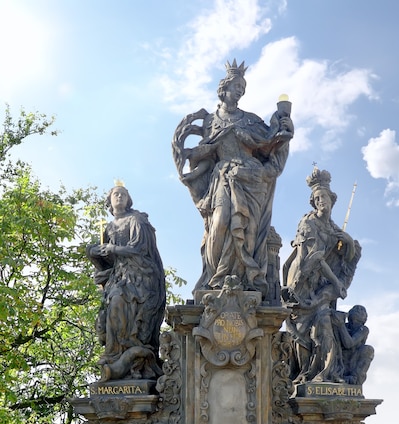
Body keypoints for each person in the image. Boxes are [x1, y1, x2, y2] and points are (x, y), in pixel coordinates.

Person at [172, 59, 293, 300]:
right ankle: (214, 279)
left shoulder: (250, 119)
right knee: (220, 222)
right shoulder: (211, 121)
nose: (240, 90)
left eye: (243, 87)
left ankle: (245, 280)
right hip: (223, 178)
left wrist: (284, 126)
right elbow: (204, 154)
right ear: (223, 89)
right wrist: (191, 163)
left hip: (250, 179)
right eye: (237, 85)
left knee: (248, 230)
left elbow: (271, 143)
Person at [281, 167, 361, 384]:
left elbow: (347, 256)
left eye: (323, 197)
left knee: (323, 323)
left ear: (332, 200)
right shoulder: (308, 223)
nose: (320, 202)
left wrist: (349, 242)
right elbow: (315, 257)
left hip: (320, 285)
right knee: (301, 329)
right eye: (316, 199)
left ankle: (324, 374)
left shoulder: (333, 227)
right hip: (303, 282)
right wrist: (337, 284)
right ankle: (304, 373)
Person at [87, 185, 166, 381]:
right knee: (113, 305)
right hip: (120, 276)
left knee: (120, 303)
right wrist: (95, 253)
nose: (120, 196)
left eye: (123, 194)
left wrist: (112, 248)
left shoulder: (136, 219)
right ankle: (114, 356)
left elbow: (139, 248)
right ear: (110, 200)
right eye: (116, 194)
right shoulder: (108, 227)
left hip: (140, 275)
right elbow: (108, 261)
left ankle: (132, 356)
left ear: (128, 200)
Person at [336, 305, 374, 384]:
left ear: (365, 318)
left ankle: (354, 378)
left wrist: (340, 325)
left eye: (362, 310)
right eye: (355, 309)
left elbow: (349, 344)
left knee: (368, 349)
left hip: (353, 360)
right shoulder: (344, 326)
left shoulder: (363, 329)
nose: (358, 310)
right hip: (340, 359)